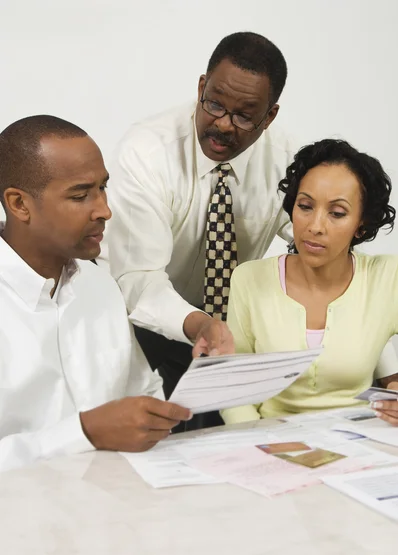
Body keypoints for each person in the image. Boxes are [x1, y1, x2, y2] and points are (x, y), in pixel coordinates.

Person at [100, 31, 295, 428]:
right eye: (214, 105)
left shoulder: (286, 162)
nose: (223, 125)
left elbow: (327, 246)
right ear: (201, 87)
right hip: (146, 330)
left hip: (228, 339)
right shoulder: (147, 151)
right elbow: (139, 279)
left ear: (269, 116)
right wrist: (200, 325)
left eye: (243, 116)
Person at [0, 115, 192, 473]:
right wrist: (84, 432)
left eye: (103, 188)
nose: (104, 210)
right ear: (19, 204)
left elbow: (142, 390)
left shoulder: (99, 284)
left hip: (121, 507)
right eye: (80, 195)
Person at [221, 138, 398, 426]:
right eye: (305, 206)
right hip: (269, 443)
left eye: (337, 213)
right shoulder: (250, 279)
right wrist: (257, 448)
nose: (315, 226)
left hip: (362, 441)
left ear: (361, 224)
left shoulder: (388, 277)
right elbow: (235, 390)